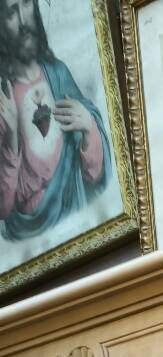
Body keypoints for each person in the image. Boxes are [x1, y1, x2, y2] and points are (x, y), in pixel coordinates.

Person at [0, 0, 110, 239]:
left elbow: (95, 175)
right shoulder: (3, 99)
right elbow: (3, 209)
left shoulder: (58, 74)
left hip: (80, 226)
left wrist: (89, 127)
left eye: (27, 4)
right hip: (31, 242)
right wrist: (10, 138)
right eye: (11, 12)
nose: (22, 21)